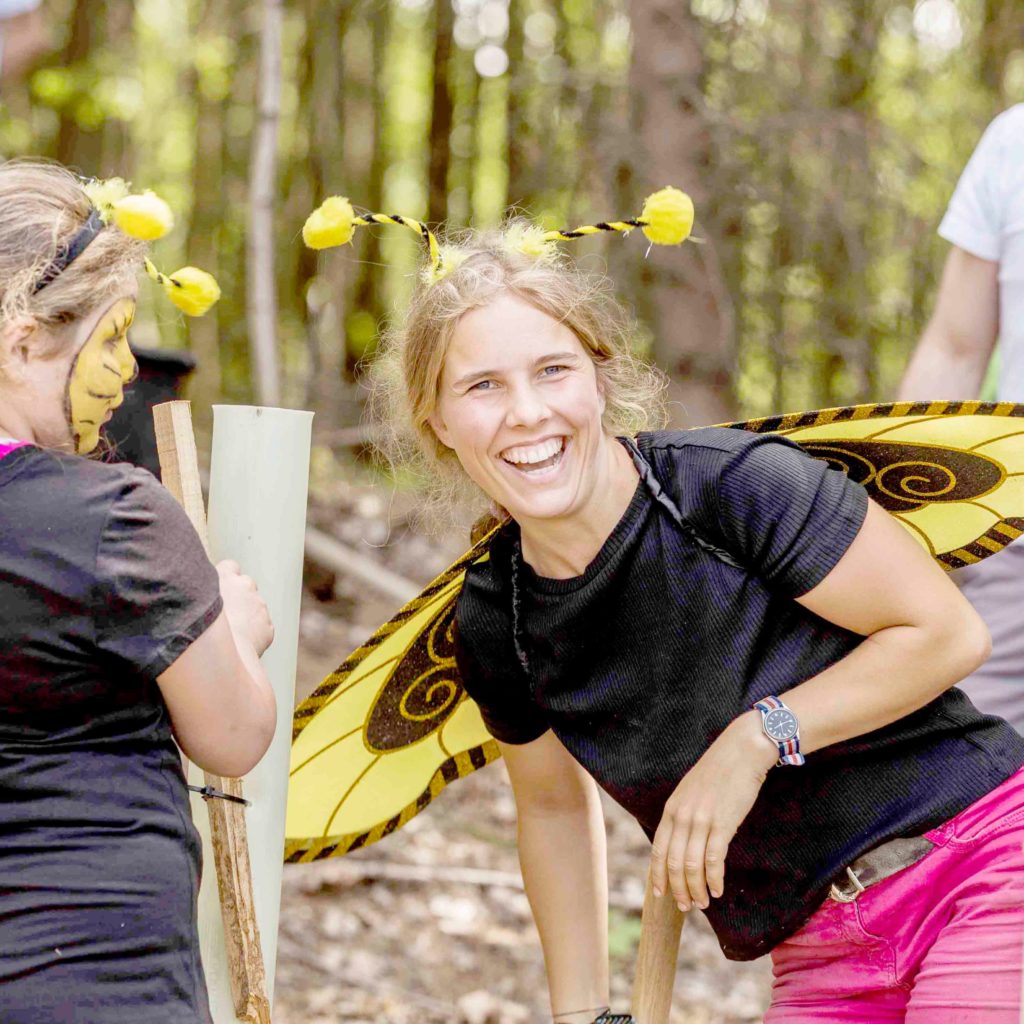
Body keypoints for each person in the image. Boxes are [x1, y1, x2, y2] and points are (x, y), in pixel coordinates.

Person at [329, 198, 1024, 1021]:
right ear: (436, 420)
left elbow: (946, 632)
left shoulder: (730, 489)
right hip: (819, 952)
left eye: (553, 370)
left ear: (598, 375)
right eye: (483, 386)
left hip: (981, 870)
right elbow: (551, 808)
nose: (527, 413)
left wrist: (756, 739)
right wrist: (583, 1012)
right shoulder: (497, 615)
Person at [0, 161, 276, 1024]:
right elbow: (231, 734)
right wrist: (232, 628)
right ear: (21, 339)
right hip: (97, 980)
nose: (126, 371)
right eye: (113, 336)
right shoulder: (115, 516)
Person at [899, 103, 1024, 734]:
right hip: (1017, 540)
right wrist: (901, 515)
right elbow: (955, 346)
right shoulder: (1012, 141)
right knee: (976, 770)